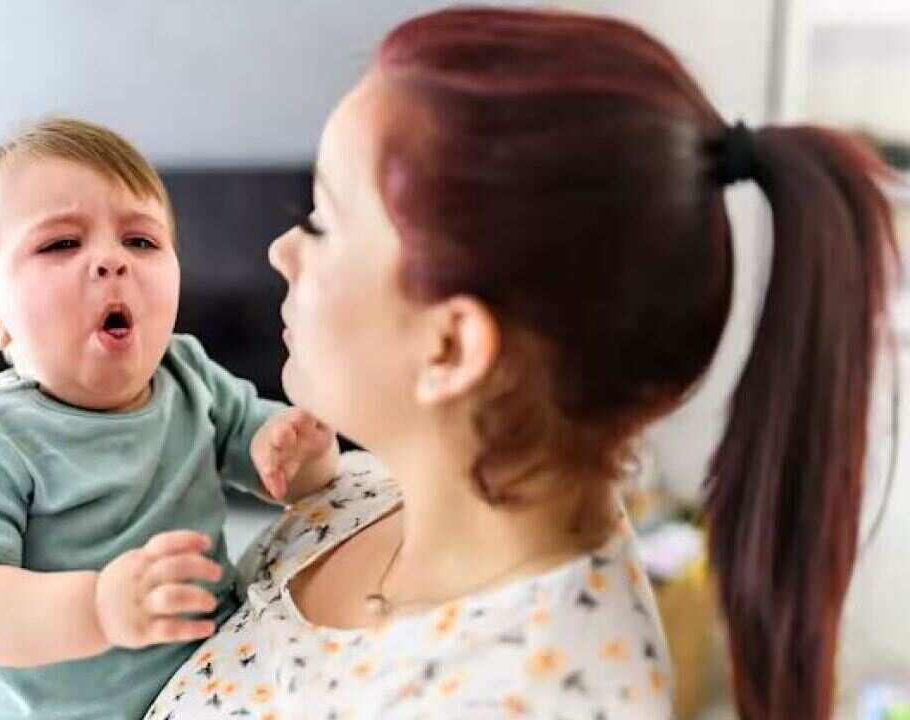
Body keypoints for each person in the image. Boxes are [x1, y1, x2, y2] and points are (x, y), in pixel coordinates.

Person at [147, 7, 898, 720]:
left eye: (322, 220)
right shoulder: (358, 497)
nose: (282, 253)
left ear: (451, 347)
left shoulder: (537, 695)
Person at [0, 118, 339, 720]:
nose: (111, 261)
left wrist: (303, 452)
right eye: (61, 244)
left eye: (141, 241)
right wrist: (97, 608)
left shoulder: (189, 375)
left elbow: (281, 473)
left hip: (202, 689)